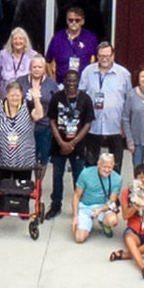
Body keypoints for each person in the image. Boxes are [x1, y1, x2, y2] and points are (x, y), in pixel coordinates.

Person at [44, 70, 94, 220]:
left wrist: (72, 142)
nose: (71, 84)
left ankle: (79, 207)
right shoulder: (57, 98)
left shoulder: (85, 99)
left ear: (78, 82)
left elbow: (87, 124)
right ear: (64, 81)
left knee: (78, 177)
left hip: (77, 145)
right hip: (58, 144)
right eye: (69, 81)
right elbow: (52, 120)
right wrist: (61, 142)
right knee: (57, 176)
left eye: (74, 81)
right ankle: (55, 206)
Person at [79, 41, 132, 172]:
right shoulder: (88, 71)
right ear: (97, 56)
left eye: (107, 55)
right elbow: (81, 96)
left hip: (115, 125)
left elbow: (129, 101)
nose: (104, 59)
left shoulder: (123, 74)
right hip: (93, 124)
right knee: (91, 163)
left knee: (116, 165)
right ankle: (93, 191)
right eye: (101, 56)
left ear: (113, 55)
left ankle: (112, 192)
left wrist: (125, 125)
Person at [0, 80, 44, 177]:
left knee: (22, 188)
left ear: (22, 95)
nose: (15, 98)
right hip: (2, 159)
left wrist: (36, 98)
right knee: (2, 188)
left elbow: (38, 115)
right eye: (12, 95)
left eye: (18, 95)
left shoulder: (27, 105)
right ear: (6, 95)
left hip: (24, 159)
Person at [16, 54, 60, 173]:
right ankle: (25, 185)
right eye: (34, 67)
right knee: (25, 157)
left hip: (44, 126)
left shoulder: (51, 84)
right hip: (24, 126)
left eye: (40, 67)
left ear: (44, 68)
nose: (37, 69)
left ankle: (38, 186)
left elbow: (57, 104)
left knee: (42, 159)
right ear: (30, 68)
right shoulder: (21, 81)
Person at [71, 152, 122, 244]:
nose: (107, 170)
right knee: (79, 238)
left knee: (113, 220)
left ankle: (104, 224)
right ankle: (85, 225)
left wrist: (100, 209)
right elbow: (76, 195)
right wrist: (75, 216)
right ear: (98, 164)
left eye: (109, 167)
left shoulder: (117, 178)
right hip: (86, 206)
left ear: (113, 165)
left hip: (103, 206)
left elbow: (112, 201)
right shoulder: (86, 173)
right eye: (104, 167)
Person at [44, 6, 97, 80]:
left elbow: (98, 60)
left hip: (84, 82)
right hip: (61, 83)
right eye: (71, 20)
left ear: (82, 21)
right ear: (67, 21)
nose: (74, 22)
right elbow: (48, 61)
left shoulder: (90, 38)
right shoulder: (57, 38)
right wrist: (52, 79)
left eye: (77, 20)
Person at [0, 27, 36, 95]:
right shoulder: (3, 54)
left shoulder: (32, 55)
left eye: (20, 39)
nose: (18, 41)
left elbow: (37, 74)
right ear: (11, 42)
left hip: (25, 93)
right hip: (5, 92)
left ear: (25, 41)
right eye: (15, 39)